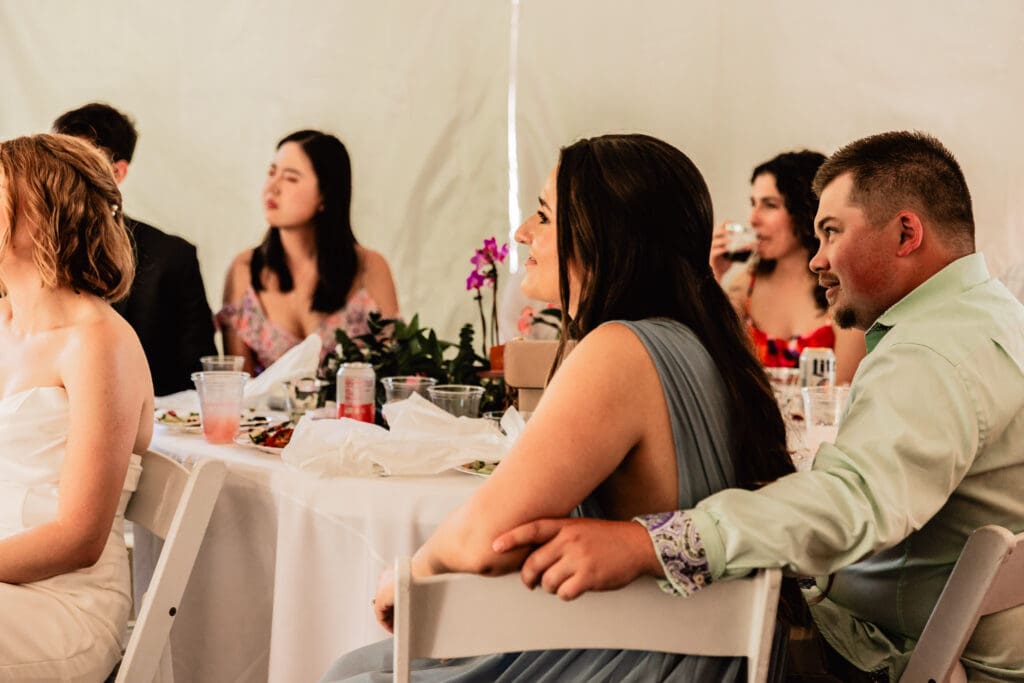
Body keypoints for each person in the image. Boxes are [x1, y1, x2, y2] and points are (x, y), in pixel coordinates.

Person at [493, 131, 1024, 681]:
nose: (817, 259)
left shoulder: (930, 352)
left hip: (893, 657)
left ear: (906, 232)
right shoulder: (993, 315)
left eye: (831, 233)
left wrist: (653, 542)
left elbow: (853, 500)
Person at [320, 134, 796, 682]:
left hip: (643, 656)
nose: (523, 233)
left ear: (603, 234)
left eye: (543, 216)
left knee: (353, 673)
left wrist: (410, 575)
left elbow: (486, 541)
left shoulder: (619, 351)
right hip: (698, 645)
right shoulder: (703, 342)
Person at [0, 134, 153, 681]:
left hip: (63, 604)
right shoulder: (3, 324)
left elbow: (79, 538)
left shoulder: (98, 343)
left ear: (42, 213)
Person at [53, 102, 217, 396]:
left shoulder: (171, 256)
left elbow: (200, 372)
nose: (62, 175)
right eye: (56, 161)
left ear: (117, 172)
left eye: (78, 163)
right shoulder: (26, 250)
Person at [218, 130, 399, 375]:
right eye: (272, 173)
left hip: (353, 413)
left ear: (325, 194)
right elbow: (239, 387)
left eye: (291, 179)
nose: (272, 188)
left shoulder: (370, 267)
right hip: (264, 414)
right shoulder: (245, 269)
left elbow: (392, 374)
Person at [710, 151, 865, 383]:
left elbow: (844, 396)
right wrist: (712, 276)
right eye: (753, 204)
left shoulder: (844, 291)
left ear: (806, 211)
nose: (753, 218)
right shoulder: (746, 285)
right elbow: (710, 362)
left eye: (770, 205)